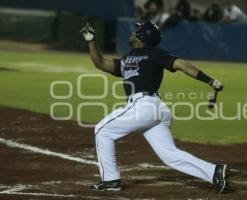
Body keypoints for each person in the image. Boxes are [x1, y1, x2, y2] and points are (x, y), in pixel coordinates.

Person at [80, 21, 229, 193]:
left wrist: (209, 80)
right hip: (153, 110)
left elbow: (182, 65)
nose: (134, 32)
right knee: (169, 155)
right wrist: (91, 42)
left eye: (137, 30)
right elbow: (101, 63)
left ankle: (111, 180)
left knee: (102, 130)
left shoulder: (155, 54)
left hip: (144, 106)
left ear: (142, 37)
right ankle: (215, 172)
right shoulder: (128, 57)